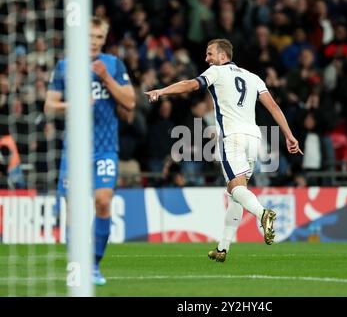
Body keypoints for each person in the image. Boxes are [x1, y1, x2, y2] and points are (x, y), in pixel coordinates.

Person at [145, 38, 302, 262]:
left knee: (235, 188)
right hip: (254, 138)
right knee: (235, 193)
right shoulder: (253, 77)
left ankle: (262, 213)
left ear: (222, 56)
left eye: (210, 54)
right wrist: (289, 134)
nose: (206, 58)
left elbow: (190, 84)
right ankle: (223, 248)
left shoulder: (216, 72)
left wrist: (162, 91)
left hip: (233, 137)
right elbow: (274, 106)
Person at [45, 17, 135, 285]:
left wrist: (106, 78)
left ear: (104, 38)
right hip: (74, 150)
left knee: (103, 201)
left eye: (98, 37)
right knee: (73, 209)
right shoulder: (64, 66)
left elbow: (130, 101)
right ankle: (76, 269)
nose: (94, 42)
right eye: (89, 36)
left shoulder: (113, 65)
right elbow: (49, 107)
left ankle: (94, 265)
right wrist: (74, 104)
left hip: (105, 148)